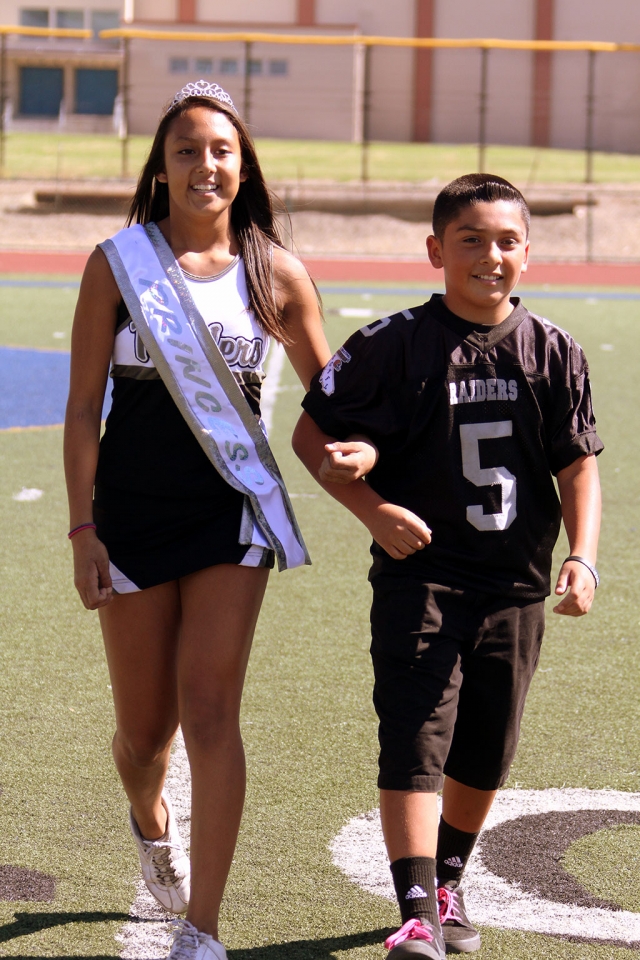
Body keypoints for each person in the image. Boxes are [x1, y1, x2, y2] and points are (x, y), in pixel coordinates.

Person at [64, 80, 363, 960]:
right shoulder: (116, 263)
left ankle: (203, 928)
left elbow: (340, 399)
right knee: (144, 735)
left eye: (221, 150)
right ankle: (150, 820)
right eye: (187, 149)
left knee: (212, 710)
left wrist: (364, 453)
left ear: (245, 166)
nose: (206, 164)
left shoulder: (277, 272)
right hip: (129, 517)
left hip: (232, 516)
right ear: (161, 169)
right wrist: (83, 532)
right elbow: (83, 408)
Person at [292, 174, 602, 959]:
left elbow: (577, 469)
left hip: (517, 585)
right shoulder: (393, 344)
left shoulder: (554, 350)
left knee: (487, 746)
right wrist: (366, 497)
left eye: (505, 241)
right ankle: (417, 911)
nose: (489, 255)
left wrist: (584, 558)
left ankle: (449, 881)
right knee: (415, 737)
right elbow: (311, 434)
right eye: (470, 239)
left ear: (527, 253)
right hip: (421, 577)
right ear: (436, 250)